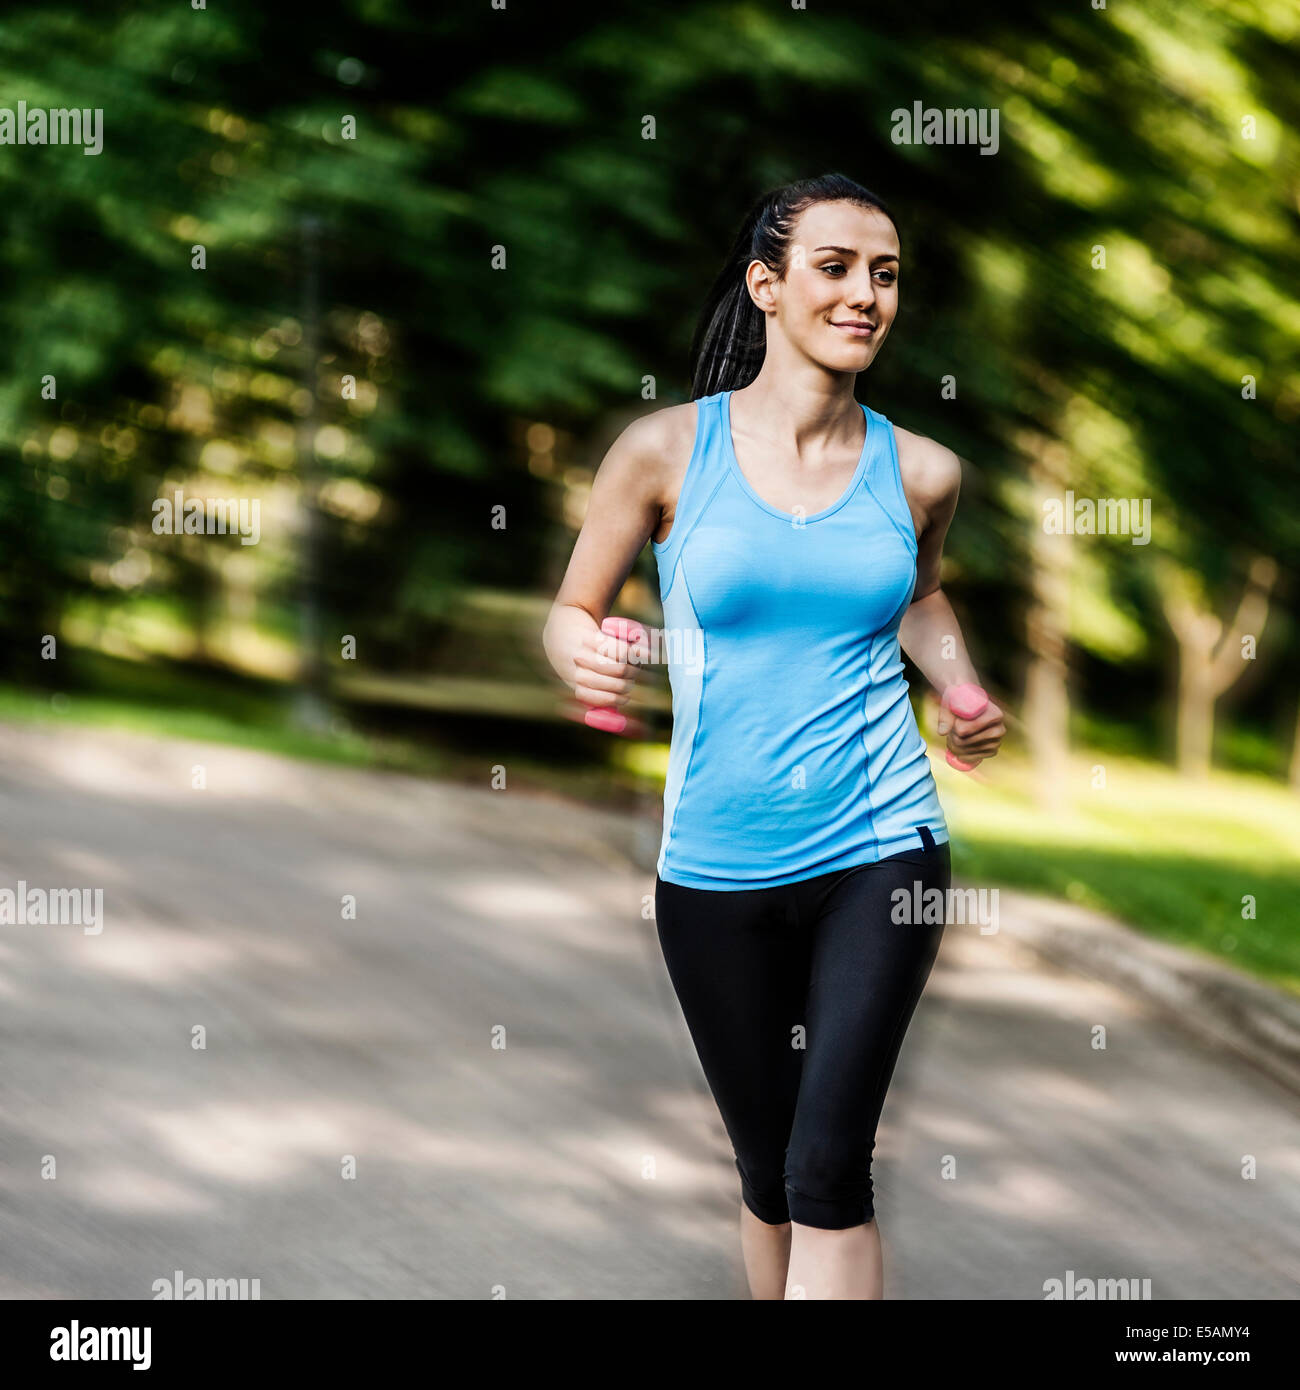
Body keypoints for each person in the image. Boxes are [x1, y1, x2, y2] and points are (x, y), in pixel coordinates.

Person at [543, 173, 1005, 1299]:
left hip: (880, 844)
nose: (864, 295)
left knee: (825, 1166)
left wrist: (957, 685)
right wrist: (581, 650)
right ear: (767, 285)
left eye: (884, 275)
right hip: (713, 859)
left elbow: (915, 595)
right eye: (835, 268)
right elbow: (573, 609)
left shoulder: (921, 470)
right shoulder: (661, 453)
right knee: (765, 1173)